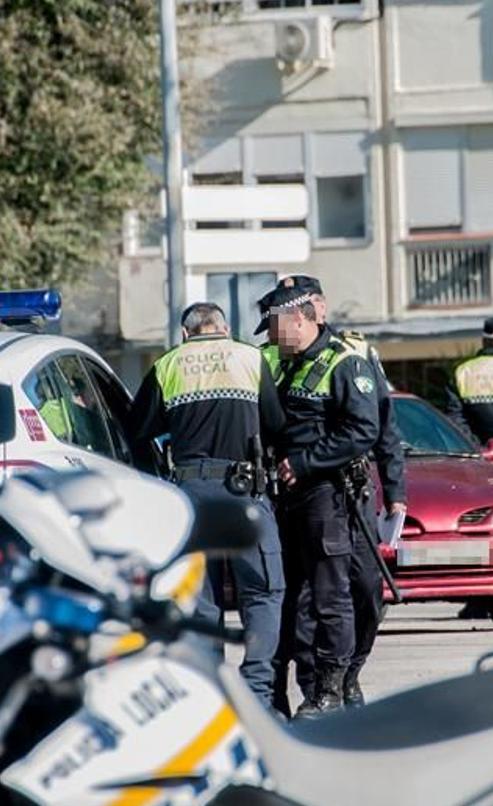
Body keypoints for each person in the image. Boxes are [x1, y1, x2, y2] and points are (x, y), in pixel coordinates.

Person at [127, 301, 286, 708]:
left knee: (201, 597)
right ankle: (257, 694)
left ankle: (212, 696)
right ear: (224, 327)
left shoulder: (168, 365)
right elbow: (275, 422)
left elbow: (138, 429)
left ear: (185, 333)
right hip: (244, 490)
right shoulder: (250, 358)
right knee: (264, 592)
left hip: (190, 495)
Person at [258, 278, 382, 718]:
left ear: (299, 319)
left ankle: (332, 688)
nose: (271, 339)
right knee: (292, 597)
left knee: (333, 596)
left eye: (274, 328)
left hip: (327, 494)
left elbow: (365, 430)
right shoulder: (277, 361)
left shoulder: (346, 361)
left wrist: (306, 463)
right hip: (285, 497)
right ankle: (298, 687)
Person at [444, 316, 493, 445]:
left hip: (481, 455)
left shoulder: (462, 371)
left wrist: (477, 448)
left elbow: (455, 419)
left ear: (483, 341)